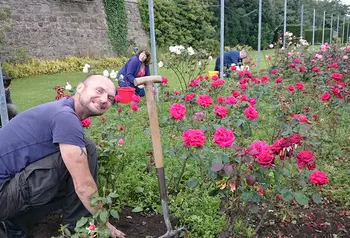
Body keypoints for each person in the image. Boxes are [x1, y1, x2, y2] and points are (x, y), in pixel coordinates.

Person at [0, 75, 125, 238]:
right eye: (99, 90)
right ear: (80, 88)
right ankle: (77, 228)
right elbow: (83, 185)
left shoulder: (60, 110)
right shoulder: (65, 117)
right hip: (2, 195)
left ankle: (15, 223)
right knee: (86, 152)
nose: (103, 100)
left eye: (110, 98)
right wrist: (103, 223)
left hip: (6, 189)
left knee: (82, 153)